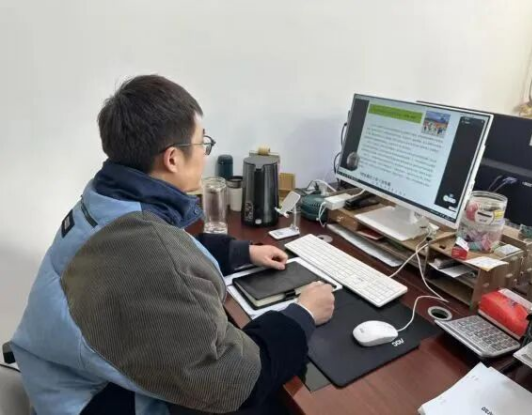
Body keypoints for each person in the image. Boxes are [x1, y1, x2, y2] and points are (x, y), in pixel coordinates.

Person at [11, 75, 336, 415]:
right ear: (172, 158)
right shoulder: (146, 248)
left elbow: (168, 249)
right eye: (201, 143)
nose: (205, 153)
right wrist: (302, 315)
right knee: (279, 399)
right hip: (94, 402)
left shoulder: (106, 199)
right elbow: (233, 383)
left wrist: (243, 252)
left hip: (59, 379)